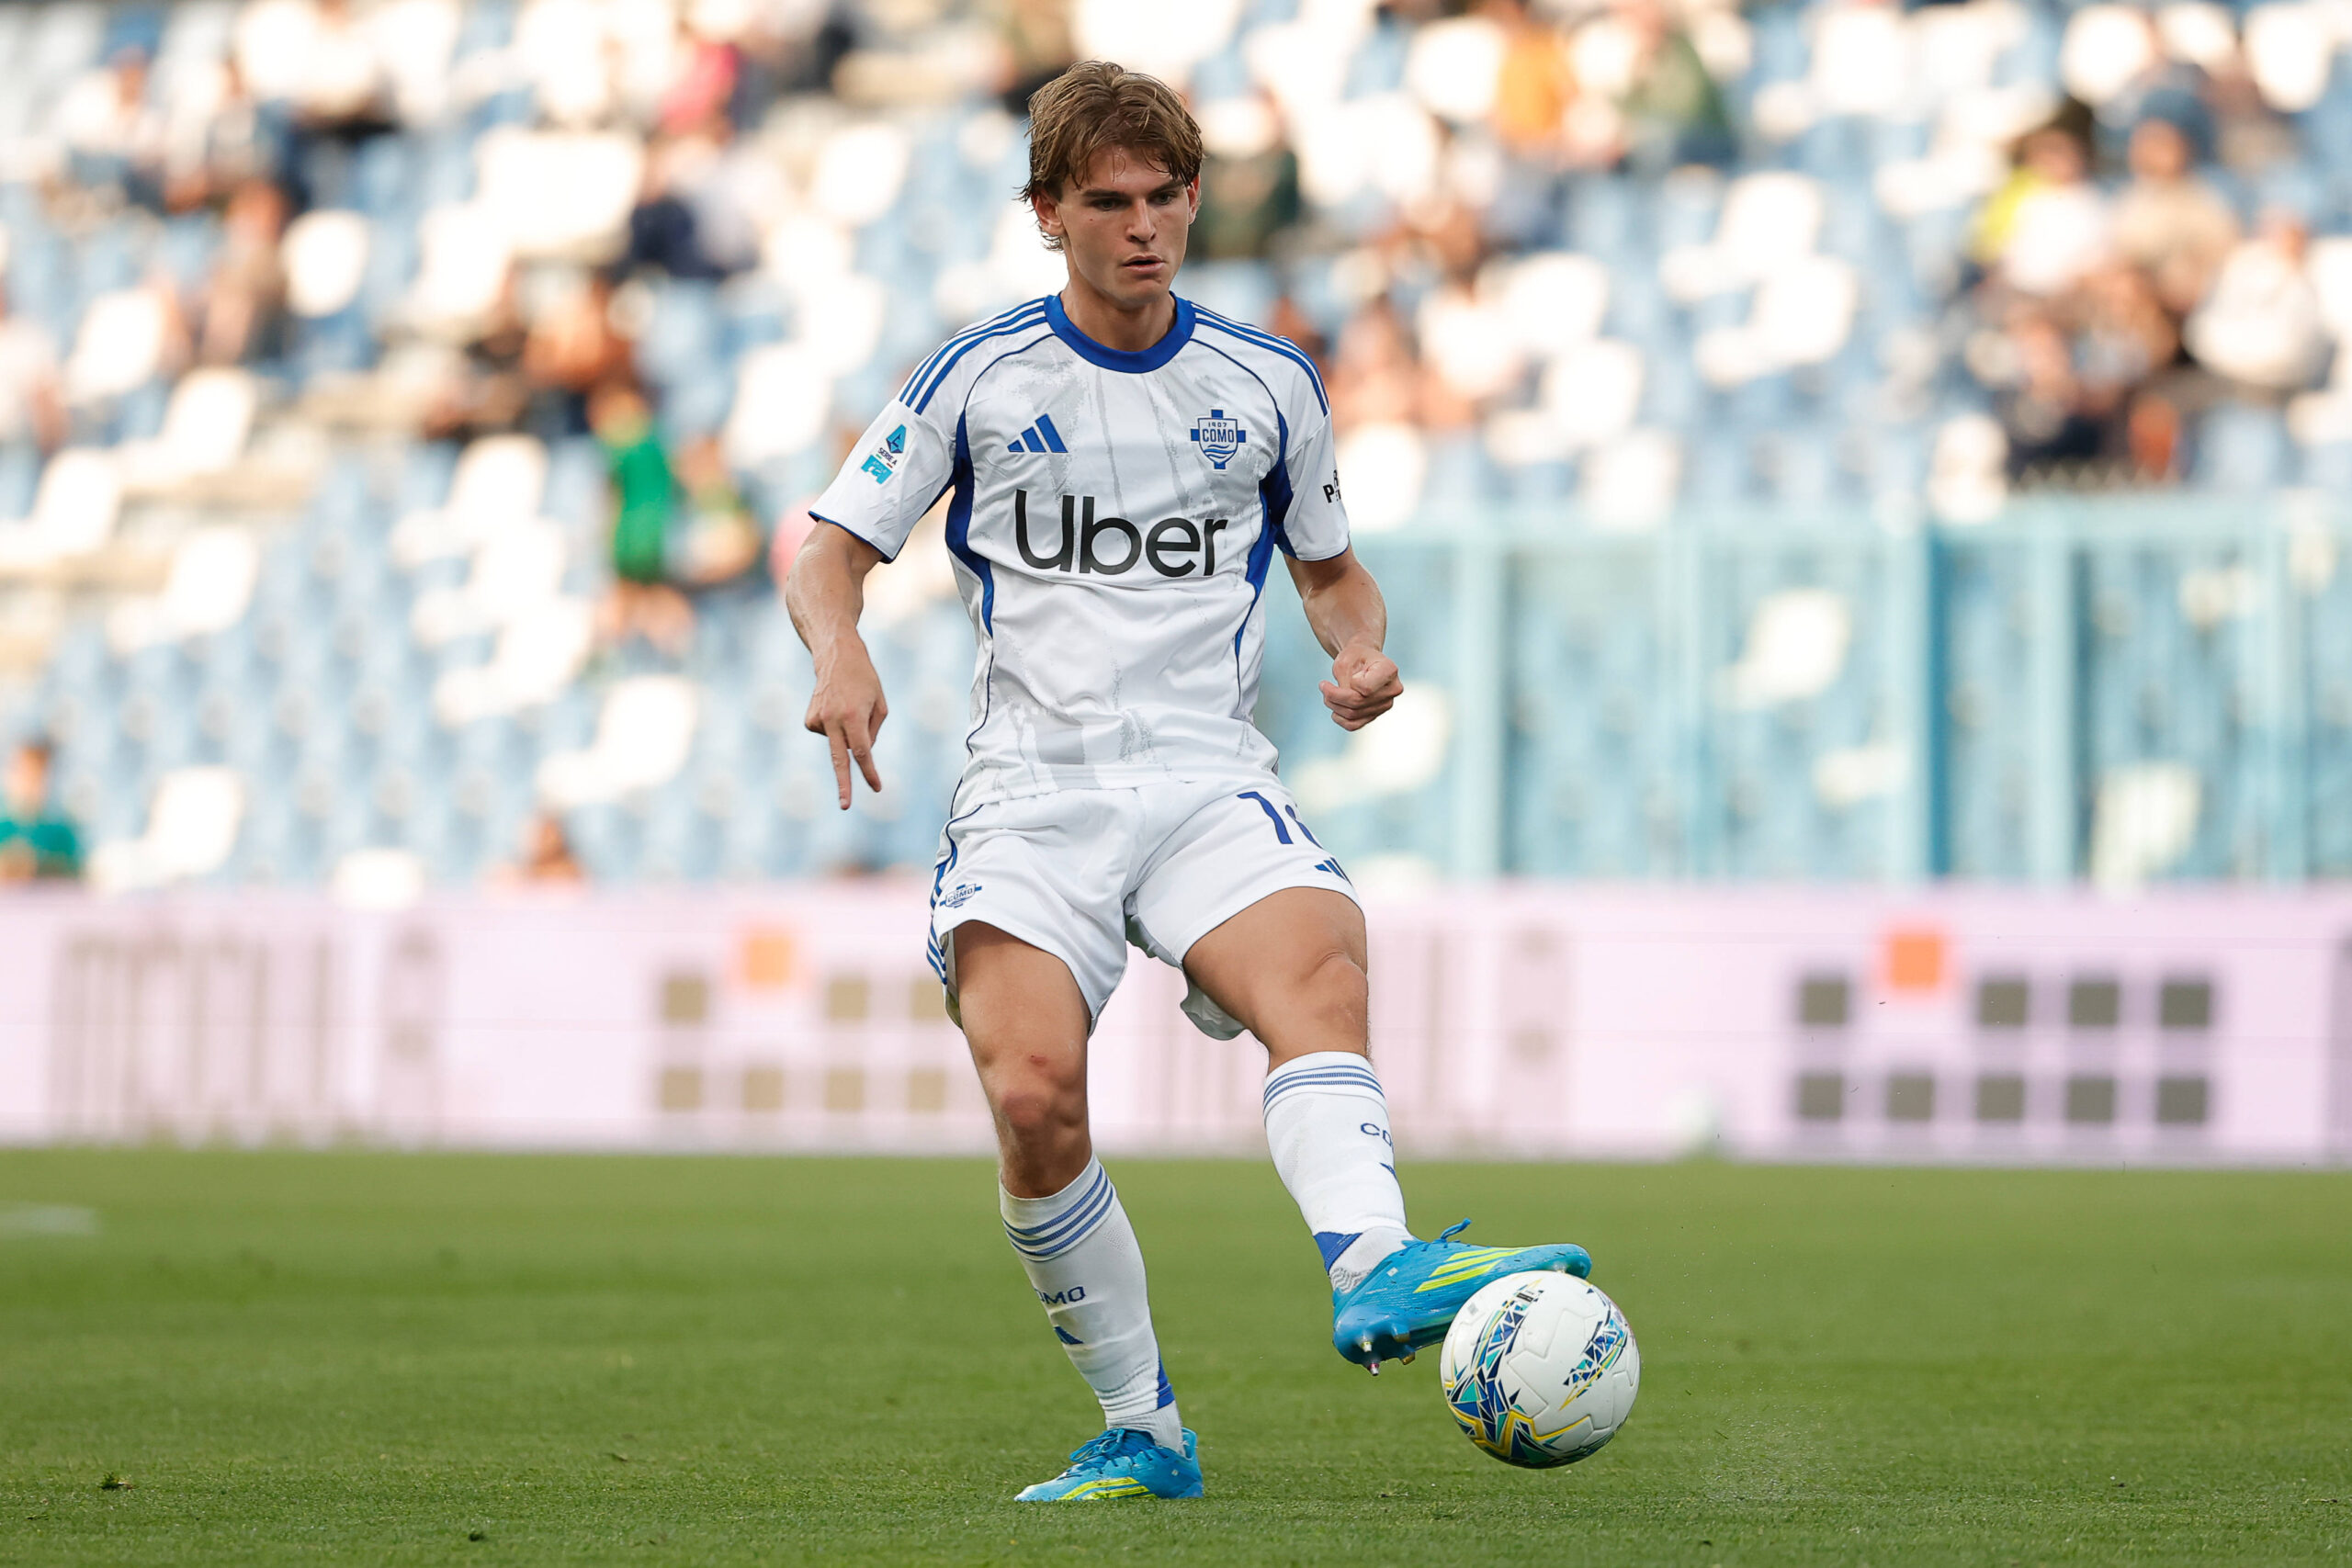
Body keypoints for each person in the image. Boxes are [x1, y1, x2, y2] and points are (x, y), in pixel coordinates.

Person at [784, 62, 1590, 1505]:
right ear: (1050, 215)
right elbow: (827, 547)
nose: (1144, 226)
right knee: (1032, 1095)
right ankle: (1143, 1424)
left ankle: (1371, 1261)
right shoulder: (978, 374)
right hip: (1033, 794)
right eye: (1109, 202)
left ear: (1195, 199)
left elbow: (1337, 579)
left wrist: (1362, 654)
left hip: (1206, 773)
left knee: (1321, 963)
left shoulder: (1269, 382)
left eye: (1165, 197)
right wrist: (839, 652)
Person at [0, 739, 84, 883]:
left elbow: (76, 875)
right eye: (24, 774)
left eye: (37, 776)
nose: (29, 784)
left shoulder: (61, 833)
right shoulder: (3, 828)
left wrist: (38, 866)